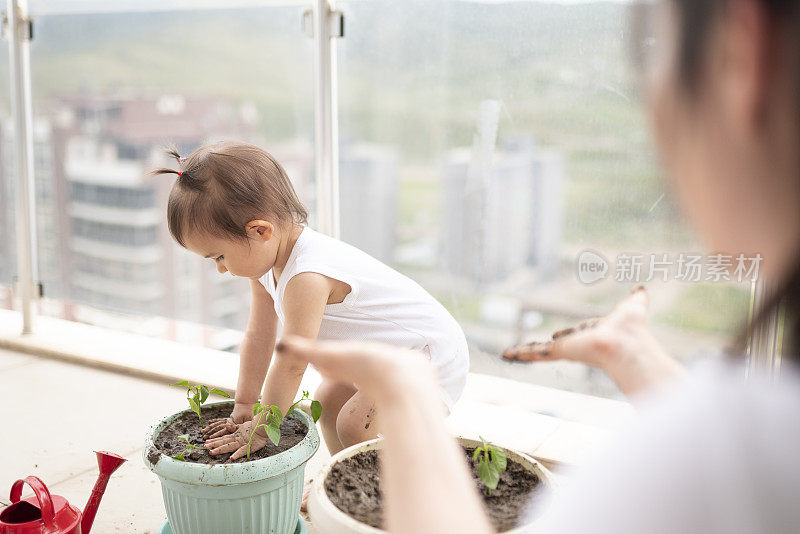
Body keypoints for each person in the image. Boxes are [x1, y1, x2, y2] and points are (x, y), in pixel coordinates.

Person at [274, 0, 800, 532]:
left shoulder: (673, 471)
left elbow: (731, 453)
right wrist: (636, 361)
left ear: (743, 52)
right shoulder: (763, 437)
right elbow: (731, 448)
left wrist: (407, 398)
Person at [152, 141, 469, 461]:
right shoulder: (265, 263)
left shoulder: (307, 276)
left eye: (219, 256)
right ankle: (344, 479)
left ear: (260, 231)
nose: (221, 269)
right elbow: (259, 336)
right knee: (328, 403)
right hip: (382, 358)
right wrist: (246, 405)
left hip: (426, 357)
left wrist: (261, 429)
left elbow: (292, 362)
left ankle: (390, 496)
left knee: (355, 425)